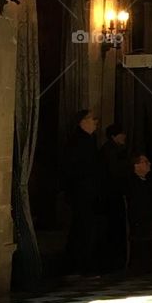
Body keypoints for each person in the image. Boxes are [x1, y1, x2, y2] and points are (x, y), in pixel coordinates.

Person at [60, 110, 101, 277]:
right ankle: (78, 266)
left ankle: (82, 265)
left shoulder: (89, 141)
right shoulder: (77, 142)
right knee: (81, 229)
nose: (95, 122)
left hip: (88, 192)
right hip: (81, 192)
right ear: (82, 122)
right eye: (93, 119)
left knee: (85, 229)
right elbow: (75, 169)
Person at [98, 124, 129, 271]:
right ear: (113, 136)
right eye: (121, 134)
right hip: (111, 194)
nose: (124, 137)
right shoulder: (110, 151)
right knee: (113, 227)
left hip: (112, 193)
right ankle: (112, 262)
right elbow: (114, 172)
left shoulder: (113, 150)